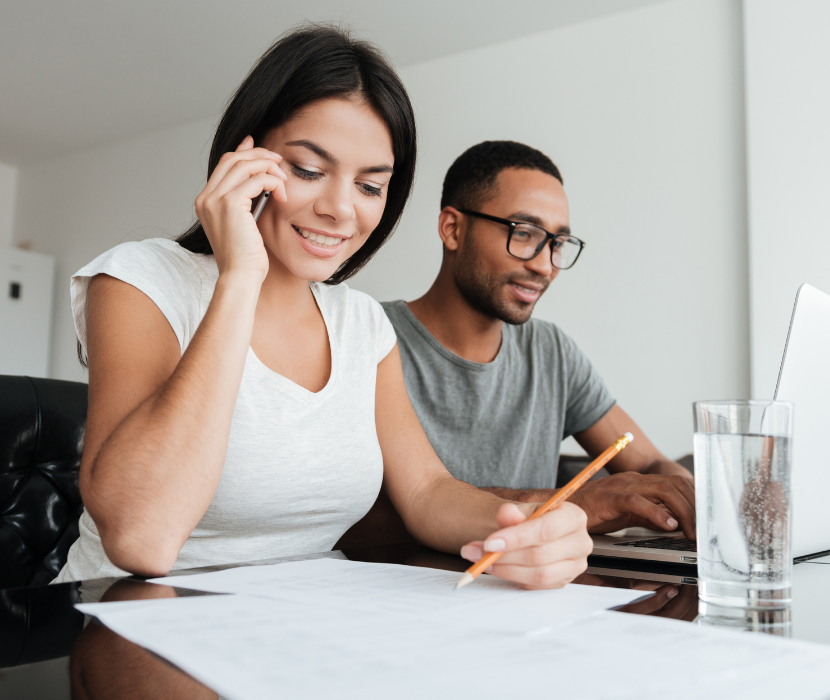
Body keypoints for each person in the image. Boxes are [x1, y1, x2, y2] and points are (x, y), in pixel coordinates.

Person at [52, 29, 591, 589]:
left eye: (369, 186)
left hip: (299, 638)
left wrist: (526, 525)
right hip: (124, 631)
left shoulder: (361, 324)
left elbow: (427, 492)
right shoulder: (141, 280)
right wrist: (240, 277)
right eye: (308, 170)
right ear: (243, 157)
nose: (340, 210)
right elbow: (142, 538)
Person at [345, 141, 696, 548]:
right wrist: (572, 504)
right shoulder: (366, 337)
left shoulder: (551, 352)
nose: (544, 265)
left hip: (529, 593)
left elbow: (649, 462)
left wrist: (689, 498)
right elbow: (365, 521)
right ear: (452, 228)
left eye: (558, 244)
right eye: (524, 233)